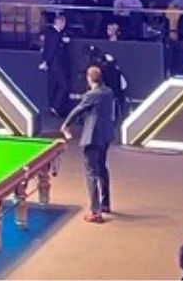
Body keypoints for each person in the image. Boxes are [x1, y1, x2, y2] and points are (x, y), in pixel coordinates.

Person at [60, 64, 116, 224]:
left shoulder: (91, 95)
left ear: (89, 78)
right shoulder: (109, 92)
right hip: (105, 137)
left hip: (92, 138)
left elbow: (77, 110)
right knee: (102, 169)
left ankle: (95, 212)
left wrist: (65, 124)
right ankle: (105, 204)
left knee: (91, 173)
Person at [39, 13, 71, 118]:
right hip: (56, 66)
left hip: (52, 65)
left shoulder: (50, 33)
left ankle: (53, 107)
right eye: (64, 23)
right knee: (63, 85)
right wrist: (46, 62)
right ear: (60, 22)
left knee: (53, 86)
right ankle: (55, 107)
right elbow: (51, 50)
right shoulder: (54, 35)